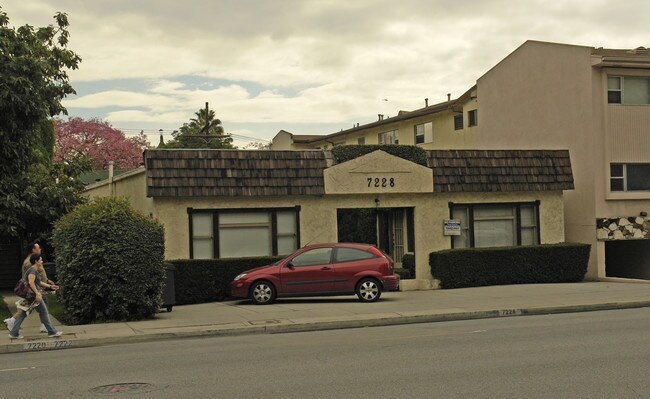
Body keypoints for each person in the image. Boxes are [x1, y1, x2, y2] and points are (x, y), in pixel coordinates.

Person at [4, 243, 58, 333]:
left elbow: (38, 274)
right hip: (34, 290)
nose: (40, 249)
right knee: (33, 308)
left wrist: (47, 281)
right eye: (38, 248)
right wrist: (36, 292)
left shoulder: (34, 260)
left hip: (37, 288)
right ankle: (47, 328)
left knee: (29, 308)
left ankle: (13, 323)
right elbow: (31, 279)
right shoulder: (30, 262)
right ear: (33, 250)